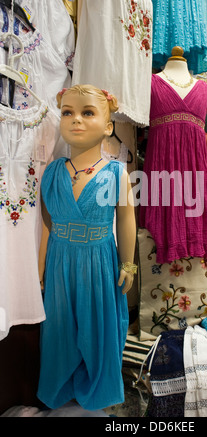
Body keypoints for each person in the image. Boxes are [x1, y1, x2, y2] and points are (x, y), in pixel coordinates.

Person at [37, 84, 136, 411]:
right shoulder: (51, 173)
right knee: (60, 328)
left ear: (108, 126)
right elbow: (47, 222)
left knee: (100, 329)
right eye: (68, 112)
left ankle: (98, 392)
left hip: (99, 261)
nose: (75, 120)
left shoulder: (116, 173)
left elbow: (125, 221)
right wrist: (46, 263)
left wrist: (128, 264)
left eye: (87, 112)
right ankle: (61, 388)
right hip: (61, 261)